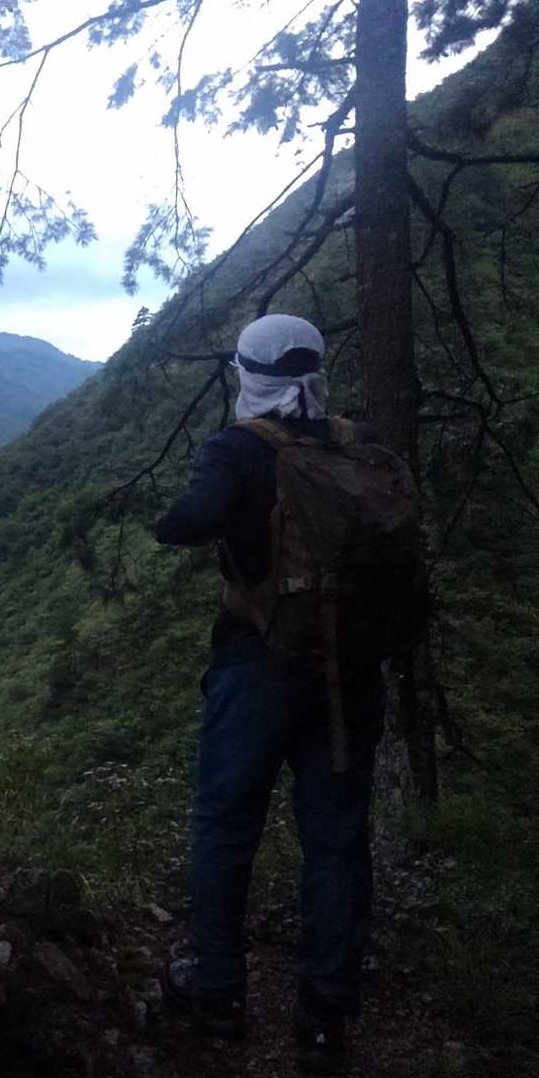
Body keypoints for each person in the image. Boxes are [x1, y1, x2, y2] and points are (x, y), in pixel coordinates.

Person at [153, 313, 384, 1076]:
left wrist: (164, 522)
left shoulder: (237, 448)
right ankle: (325, 1020)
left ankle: (219, 991)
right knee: (337, 839)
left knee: (226, 826)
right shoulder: (354, 444)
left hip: (257, 666)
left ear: (246, 374)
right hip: (349, 675)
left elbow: (191, 520)